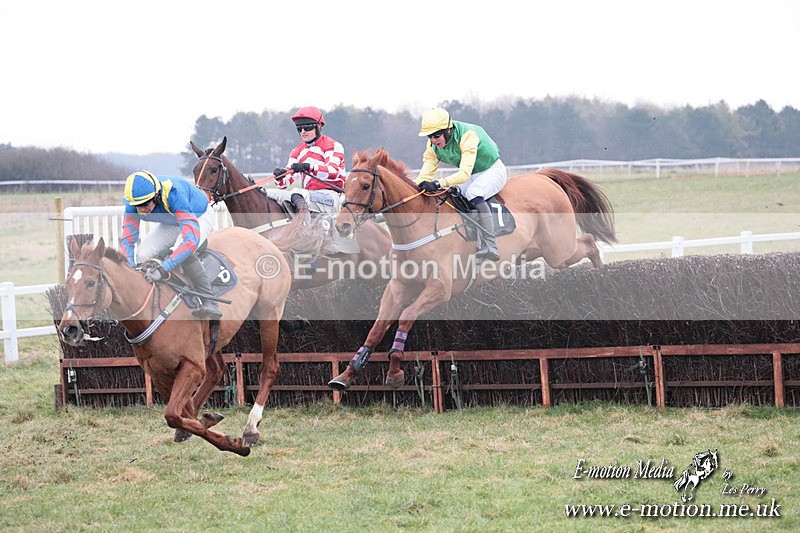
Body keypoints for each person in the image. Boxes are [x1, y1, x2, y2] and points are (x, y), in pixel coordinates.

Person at [120, 170, 222, 319]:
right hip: (173, 221)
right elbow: (127, 241)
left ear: (156, 195)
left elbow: (190, 241)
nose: (141, 210)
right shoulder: (132, 204)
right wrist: (129, 269)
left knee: (179, 251)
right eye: (137, 205)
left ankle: (209, 300)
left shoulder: (174, 194)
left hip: (199, 216)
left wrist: (164, 268)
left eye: (145, 204)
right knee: (143, 254)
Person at [415, 107, 507, 261]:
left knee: (473, 193)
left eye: (436, 135)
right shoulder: (432, 147)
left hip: (492, 170)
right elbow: (424, 176)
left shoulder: (467, 135)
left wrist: (438, 183)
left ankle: (490, 244)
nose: (433, 140)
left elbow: (464, 174)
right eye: (429, 136)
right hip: (472, 175)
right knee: (450, 195)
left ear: (448, 130)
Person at [268, 106, 346, 223]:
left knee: (298, 193)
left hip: (330, 197)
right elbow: (285, 183)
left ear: (318, 126)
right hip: (307, 197)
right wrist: (280, 177)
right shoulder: (297, 151)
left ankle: (305, 230)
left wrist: (308, 167)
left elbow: (333, 172)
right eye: (299, 128)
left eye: (307, 127)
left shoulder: (333, 146)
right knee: (268, 193)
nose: (303, 131)